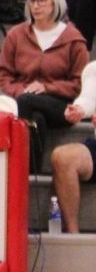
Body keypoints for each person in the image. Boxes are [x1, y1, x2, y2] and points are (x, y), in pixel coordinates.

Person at [0, 0, 87, 172]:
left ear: (55, 3)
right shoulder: (16, 35)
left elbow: (79, 83)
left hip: (61, 104)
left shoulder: (73, 39)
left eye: (42, 0)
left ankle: (23, 170)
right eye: (32, 0)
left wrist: (47, 87)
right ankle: (32, 170)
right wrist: (21, 91)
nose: (36, 6)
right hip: (24, 100)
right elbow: (4, 75)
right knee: (35, 116)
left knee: (28, 103)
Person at [49, 60, 96, 233]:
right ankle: (73, 235)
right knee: (63, 157)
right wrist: (78, 109)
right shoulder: (93, 69)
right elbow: (88, 99)